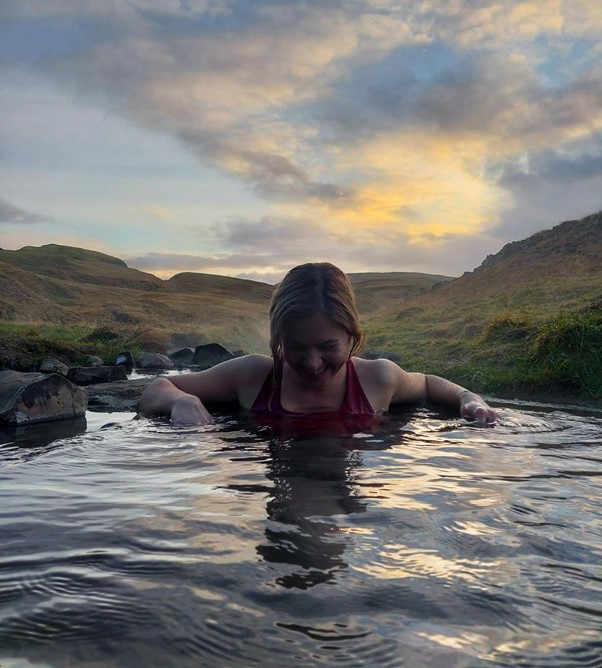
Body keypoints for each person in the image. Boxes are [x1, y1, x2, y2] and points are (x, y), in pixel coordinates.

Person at [138, 262, 499, 426]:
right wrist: (181, 400)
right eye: (295, 347)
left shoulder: (378, 378)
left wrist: (469, 398)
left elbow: (428, 383)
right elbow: (157, 387)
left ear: (353, 337)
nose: (312, 363)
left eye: (328, 346)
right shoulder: (252, 374)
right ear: (278, 340)